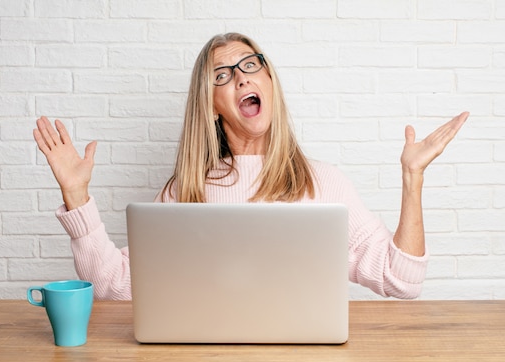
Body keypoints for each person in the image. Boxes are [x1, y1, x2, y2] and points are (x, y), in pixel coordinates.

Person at [33, 32, 469, 301]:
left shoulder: (323, 183)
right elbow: (116, 284)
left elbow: (402, 281)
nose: (241, 77)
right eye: (222, 75)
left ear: (269, 83)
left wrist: (413, 179)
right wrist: (77, 195)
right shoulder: (185, 192)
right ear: (212, 105)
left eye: (249, 65)